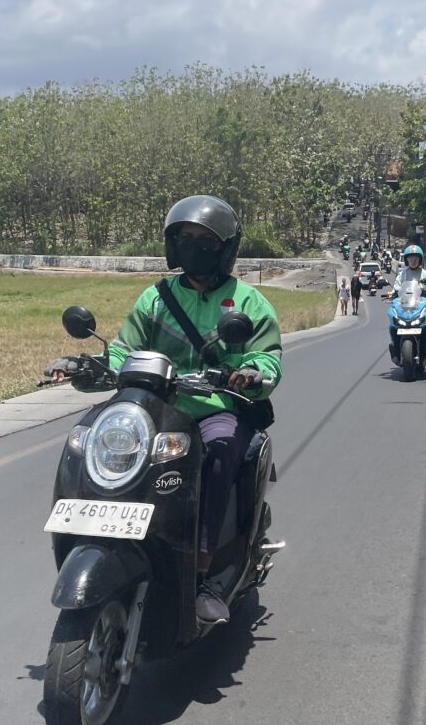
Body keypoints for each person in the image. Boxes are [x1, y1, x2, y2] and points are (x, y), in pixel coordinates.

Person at [50, 196, 282, 624]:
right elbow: (122, 350)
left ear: (226, 248)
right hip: (155, 408)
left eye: (204, 240)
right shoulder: (155, 300)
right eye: (184, 238)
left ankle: (205, 571)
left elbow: (268, 359)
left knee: (220, 450)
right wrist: (85, 366)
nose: (193, 246)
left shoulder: (248, 303)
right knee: (90, 440)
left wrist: (248, 373)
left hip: (215, 408)